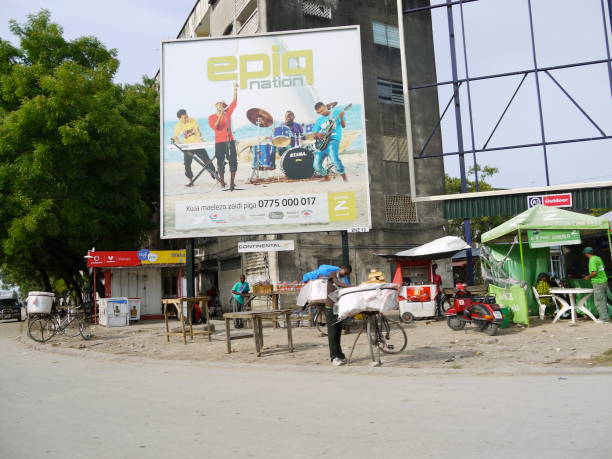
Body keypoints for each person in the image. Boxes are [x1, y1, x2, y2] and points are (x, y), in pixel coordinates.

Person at [172, 109, 217, 187]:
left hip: (197, 144)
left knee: (207, 160)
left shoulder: (193, 120)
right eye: (184, 118)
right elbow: (175, 137)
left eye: (187, 116)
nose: (186, 118)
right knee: (187, 164)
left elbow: (198, 131)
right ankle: (191, 181)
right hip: (188, 147)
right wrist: (181, 145)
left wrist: (201, 139)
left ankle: (215, 175)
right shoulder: (178, 126)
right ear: (180, 118)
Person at [208, 83, 239, 190]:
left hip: (229, 140)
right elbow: (215, 127)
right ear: (215, 105)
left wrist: (235, 90)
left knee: (233, 161)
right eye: (218, 104)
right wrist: (220, 115)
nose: (220, 105)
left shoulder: (228, 114)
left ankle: (232, 182)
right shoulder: (211, 117)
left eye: (222, 104)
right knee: (220, 162)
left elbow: (234, 103)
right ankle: (221, 181)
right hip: (219, 142)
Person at [323, 265, 352, 366]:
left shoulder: (342, 278)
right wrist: (350, 286)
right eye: (346, 273)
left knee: (338, 333)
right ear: (342, 269)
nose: (346, 275)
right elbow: (337, 283)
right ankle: (334, 357)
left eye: (347, 274)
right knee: (332, 334)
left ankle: (340, 355)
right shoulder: (333, 274)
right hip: (330, 308)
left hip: (338, 308)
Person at [312, 101, 347, 182]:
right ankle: (326, 177)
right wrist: (317, 135)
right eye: (319, 112)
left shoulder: (336, 113)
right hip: (323, 142)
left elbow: (343, 126)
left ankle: (344, 177)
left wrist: (341, 118)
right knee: (316, 165)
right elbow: (315, 133)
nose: (321, 113)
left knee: (334, 159)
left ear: (325, 106)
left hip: (333, 139)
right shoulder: (319, 120)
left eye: (322, 110)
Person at [583, 247, 610, 323]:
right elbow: (603, 268)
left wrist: (587, 277)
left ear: (586, 254)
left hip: (598, 282)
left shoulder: (592, 260)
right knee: (603, 300)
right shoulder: (598, 258)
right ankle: (606, 317)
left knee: (599, 301)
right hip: (604, 280)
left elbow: (594, 272)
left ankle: (603, 319)